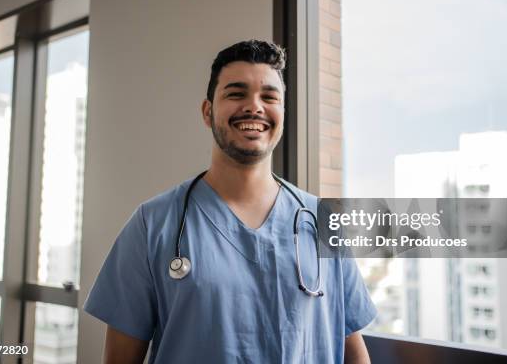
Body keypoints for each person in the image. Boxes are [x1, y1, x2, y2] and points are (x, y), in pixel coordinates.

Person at [83, 40, 377, 363]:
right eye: (236, 93)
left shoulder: (322, 223)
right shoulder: (152, 225)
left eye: (269, 96)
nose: (254, 107)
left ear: (282, 112)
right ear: (208, 112)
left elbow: (355, 353)